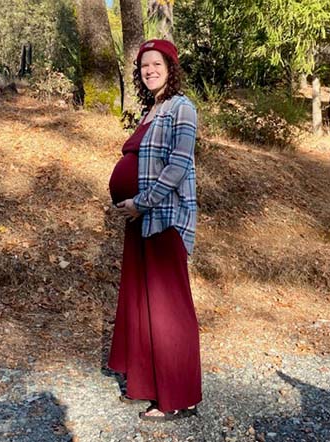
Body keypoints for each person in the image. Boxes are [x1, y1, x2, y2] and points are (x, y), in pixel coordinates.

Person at [108, 39, 201, 422]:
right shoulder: (151, 110)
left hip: (164, 219)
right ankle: (149, 385)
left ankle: (180, 397)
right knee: (145, 308)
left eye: (156, 64)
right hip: (141, 223)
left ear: (171, 67)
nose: (149, 70)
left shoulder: (182, 108)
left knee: (170, 311)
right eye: (144, 65)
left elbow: (177, 168)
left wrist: (140, 202)